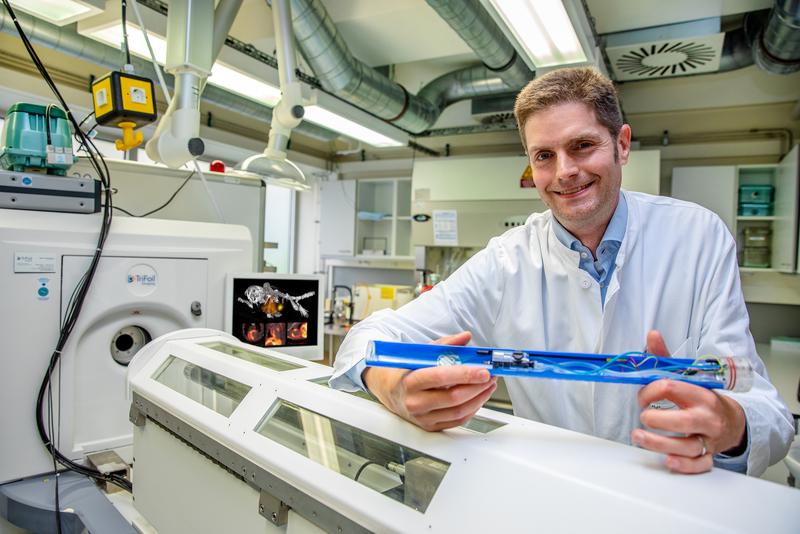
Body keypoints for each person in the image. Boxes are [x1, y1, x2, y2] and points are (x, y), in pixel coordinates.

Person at [330, 67, 793, 476]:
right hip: (552, 492)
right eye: (544, 155)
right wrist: (394, 388)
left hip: (670, 493)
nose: (564, 171)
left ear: (622, 144)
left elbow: (765, 409)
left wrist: (729, 425)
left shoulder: (697, 236)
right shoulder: (506, 260)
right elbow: (365, 339)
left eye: (582, 146)